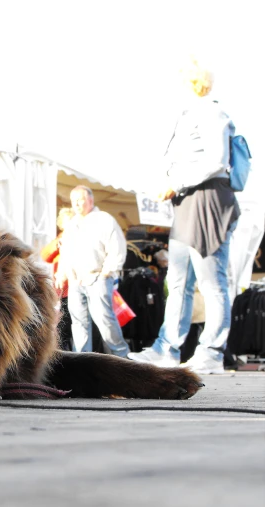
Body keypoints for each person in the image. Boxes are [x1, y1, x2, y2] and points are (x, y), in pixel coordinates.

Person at [128, 60, 239, 375]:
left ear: (190, 83)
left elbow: (218, 161)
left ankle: (212, 353)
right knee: (178, 282)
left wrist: (175, 183)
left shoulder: (211, 113)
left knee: (211, 282)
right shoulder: (188, 115)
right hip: (187, 203)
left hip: (208, 202)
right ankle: (166, 349)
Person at [55, 186, 130, 357]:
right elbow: (65, 252)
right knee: (79, 323)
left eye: (80, 200)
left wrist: (107, 272)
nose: (77, 204)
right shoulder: (72, 224)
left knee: (104, 320)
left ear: (90, 200)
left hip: (97, 277)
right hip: (76, 281)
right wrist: (61, 274)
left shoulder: (104, 219)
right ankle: (83, 359)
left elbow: (117, 247)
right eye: (74, 201)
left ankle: (122, 356)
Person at [41, 207, 74, 351]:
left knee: (71, 321)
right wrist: (57, 245)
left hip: (76, 285)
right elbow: (45, 255)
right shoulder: (60, 239)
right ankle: (63, 348)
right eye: (66, 222)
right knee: (65, 320)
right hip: (63, 288)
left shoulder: (82, 237)